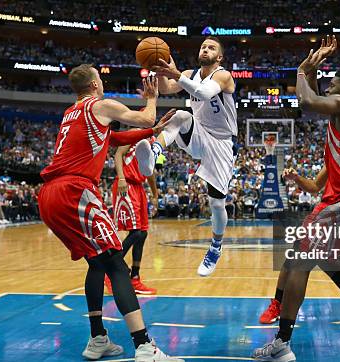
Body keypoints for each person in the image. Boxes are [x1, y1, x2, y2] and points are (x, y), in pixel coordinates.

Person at [252, 36, 340, 361]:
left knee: (299, 261)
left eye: (332, 87)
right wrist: (313, 69)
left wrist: (302, 70)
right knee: (328, 260)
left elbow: (308, 101)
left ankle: (282, 344)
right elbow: (316, 96)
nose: (327, 91)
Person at [37, 64, 182, 362]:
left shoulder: (70, 114)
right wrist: (152, 98)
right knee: (117, 263)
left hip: (49, 195)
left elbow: (113, 140)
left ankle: (98, 339)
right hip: (74, 191)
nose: (103, 83)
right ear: (93, 84)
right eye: (100, 79)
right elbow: (145, 115)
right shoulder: (100, 105)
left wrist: (151, 133)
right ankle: (144, 346)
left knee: (96, 263)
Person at [138, 36, 237, 277]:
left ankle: (215, 247)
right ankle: (153, 154)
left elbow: (204, 93)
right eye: (203, 46)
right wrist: (161, 69)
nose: (206, 49)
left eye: (211, 47)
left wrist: (174, 73)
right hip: (200, 133)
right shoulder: (191, 73)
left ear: (220, 57)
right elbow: (166, 88)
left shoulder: (223, 76)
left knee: (216, 202)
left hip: (222, 143)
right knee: (181, 115)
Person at [108, 123, 172, 295]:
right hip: (126, 184)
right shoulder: (134, 133)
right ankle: (110, 268)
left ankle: (135, 278)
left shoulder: (152, 142)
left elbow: (149, 170)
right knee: (135, 232)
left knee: (142, 233)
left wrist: (155, 194)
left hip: (138, 187)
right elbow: (118, 154)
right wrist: (121, 178)